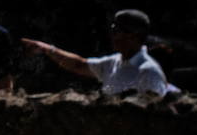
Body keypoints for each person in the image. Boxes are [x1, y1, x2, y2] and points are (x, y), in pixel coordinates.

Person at [22, 9, 174, 97]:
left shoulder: (148, 71)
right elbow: (79, 65)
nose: (112, 35)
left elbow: (154, 115)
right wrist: (47, 49)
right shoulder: (114, 62)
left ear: (132, 35)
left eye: (116, 30)